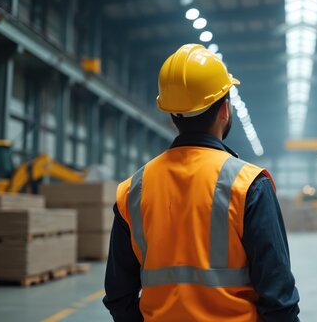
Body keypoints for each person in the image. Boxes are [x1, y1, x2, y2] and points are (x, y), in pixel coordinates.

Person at [103, 44, 300, 321]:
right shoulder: (248, 185)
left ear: (172, 115)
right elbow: (278, 297)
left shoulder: (133, 190)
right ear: (225, 110)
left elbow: (118, 295)